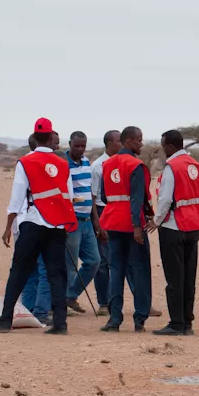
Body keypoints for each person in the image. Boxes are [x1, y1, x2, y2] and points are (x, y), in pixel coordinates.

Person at [0, 118, 77, 335]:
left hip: (32, 223)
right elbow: (69, 196)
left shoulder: (25, 162)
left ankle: (5, 321)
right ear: (51, 137)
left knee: (19, 272)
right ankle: (60, 323)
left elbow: (17, 196)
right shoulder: (62, 164)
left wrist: (8, 225)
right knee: (56, 274)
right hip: (56, 226)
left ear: (34, 137)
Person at [146, 130, 199, 336]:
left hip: (173, 228)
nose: (162, 150)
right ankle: (187, 323)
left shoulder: (172, 167)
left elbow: (165, 199)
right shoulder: (197, 166)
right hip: (194, 227)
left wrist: (156, 221)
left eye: (163, 145)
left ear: (171, 147)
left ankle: (176, 323)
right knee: (188, 277)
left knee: (175, 278)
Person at [98, 126, 154, 332]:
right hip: (132, 225)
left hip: (112, 222)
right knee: (139, 270)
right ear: (129, 142)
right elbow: (139, 198)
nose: (142, 143)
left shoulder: (107, 164)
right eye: (139, 140)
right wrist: (137, 226)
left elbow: (104, 196)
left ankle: (114, 318)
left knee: (116, 270)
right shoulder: (136, 165)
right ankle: (140, 318)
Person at [63, 131, 104, 315]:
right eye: (76, 146)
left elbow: (90, 194)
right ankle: (62, 302)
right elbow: (65, 195)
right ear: (70, 144)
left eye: (83, 146)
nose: (80, 149)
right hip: (72, 222)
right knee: (69, 266)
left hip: (87, 221)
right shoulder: (63, 164)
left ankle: (71, 295)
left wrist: (96, 221)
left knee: (94, 261)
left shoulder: (87, 163)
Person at [18, 134, 52, 325]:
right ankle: (40, 311)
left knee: (30, 270)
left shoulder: (23, 165)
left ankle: (27, 309)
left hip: (23, 223)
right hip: (39, 223)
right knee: (44, 269)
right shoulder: (39, 166)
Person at [89, 130, 121, 318]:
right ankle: (103, 302)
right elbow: (93, 197)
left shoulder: (124, 163)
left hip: (119, 212)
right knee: (102, 261)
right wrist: (97, 223)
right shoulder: (97, 166)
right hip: (102, 212)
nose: (121, 144)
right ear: (109, 143)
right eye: (118, 141)